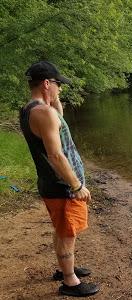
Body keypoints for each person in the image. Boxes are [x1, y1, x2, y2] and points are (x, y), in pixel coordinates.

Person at [19, 61, 99, 297]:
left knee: (61, 229)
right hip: (63, 187)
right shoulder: (43, 113)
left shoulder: (32, 109)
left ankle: (66, 267)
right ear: (46, 84)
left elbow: (59, 122)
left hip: (51, 184)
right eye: (57, 84)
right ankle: (69, 282)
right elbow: (55, 155)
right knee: (67, 233)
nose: (60, 89)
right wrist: (77, 185)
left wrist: (53, 100)